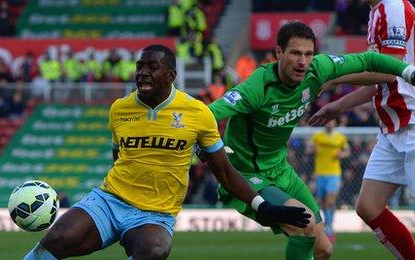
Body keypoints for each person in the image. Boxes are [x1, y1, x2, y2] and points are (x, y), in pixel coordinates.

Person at [23, 45, 311, 260]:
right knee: (56, 240)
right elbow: (119, 156)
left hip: (155, 213)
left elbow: (223, 170)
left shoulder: (197, 113)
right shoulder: (119, 109)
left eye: (152, 67)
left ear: (171, 75)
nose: (143, 72)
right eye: (140, 66)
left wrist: (262, 205)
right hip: (109, 201)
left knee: (154, 251)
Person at [204, 21, 415, 260]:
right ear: (279, 53)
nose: (302, 61)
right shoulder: (257, 87)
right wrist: (202, 141)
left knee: (324, 249)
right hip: (246, 175)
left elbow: (368, 60)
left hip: (280, 171)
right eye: (295, 53)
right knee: (304, 225)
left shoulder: (317, 69)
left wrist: (409, 72)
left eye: (308, 54)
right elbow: (210, 113)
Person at [308, 1, 415, 259]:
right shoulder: (376, 11)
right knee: (368, 207)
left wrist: (335, 78)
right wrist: (339, 105)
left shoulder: (393, 7)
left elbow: (388, 71)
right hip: (392, 129)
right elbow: (383, 80)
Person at [307, 119, 349, 242]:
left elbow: (347, 151)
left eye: (331, 122)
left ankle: (330, 227)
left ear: (334, 123)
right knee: (322, 201)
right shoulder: (317, 137)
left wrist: (341, 154)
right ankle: (326, 223)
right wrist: (313, 150)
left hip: (334, 173)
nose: (329, 124)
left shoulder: (340, 137)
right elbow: (309, 149)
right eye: (327, 122)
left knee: (330, 200)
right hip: (320, 173)